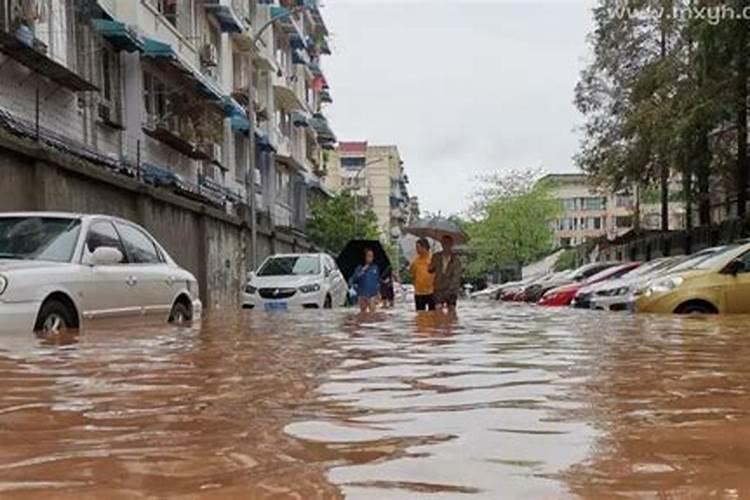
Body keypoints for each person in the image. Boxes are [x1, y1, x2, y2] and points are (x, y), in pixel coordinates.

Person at [429, 234, 463, 311]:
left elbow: (457, 276)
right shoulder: (436, 256)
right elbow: (430, 270)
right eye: (444, 243)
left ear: (451, 244)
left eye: (448, 243)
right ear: (441, 244)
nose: (446, 245)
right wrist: (431, 265)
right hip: (438, 288)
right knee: (438, 310)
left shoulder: (456, 260)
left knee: (452, 311)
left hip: (451, 289)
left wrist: (451, 289)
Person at [410, 238, 435, 311]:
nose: (416, 250)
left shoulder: (433, 260)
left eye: (418, 247)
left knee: (432, 315)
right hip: (419, 293)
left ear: (424, 247)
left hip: (432, 292)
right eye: (416, 248)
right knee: (420, 315)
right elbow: (412, 274)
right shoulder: (415, 262)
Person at [351, 248, 380, 312]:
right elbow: (354, 279)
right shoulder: (359, 268)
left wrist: (378, 294)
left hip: (372, 295)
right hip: (362, 295)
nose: (371, 258)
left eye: (372, 256)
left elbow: (377, 281)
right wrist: (363, 270)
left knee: (372, 313)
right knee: (363, 314)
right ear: (365, 257)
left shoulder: (375, 268)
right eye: (369, 256)